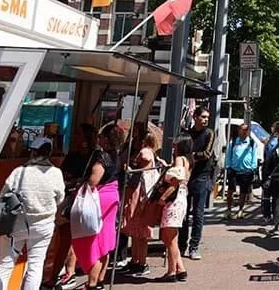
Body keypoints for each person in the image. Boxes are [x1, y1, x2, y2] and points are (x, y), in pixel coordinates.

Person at [0, 137, 65, 290]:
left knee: (5, 264)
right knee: (35, 265)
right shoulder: (55, 173)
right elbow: (60, 198)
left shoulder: (19, 172)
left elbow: (3, 196)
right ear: (49, 153)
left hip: (16, 225)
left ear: (32, 152)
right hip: (43, 227)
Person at [70, 123, 124, 290]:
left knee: (94, 241)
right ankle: (99, 280)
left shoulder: (103, 157)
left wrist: (80, 182)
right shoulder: (117, 156)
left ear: (107, 140)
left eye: (101, 136)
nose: (98, 139)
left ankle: (91, 283)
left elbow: (94, 180)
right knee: (105, 240)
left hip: (100, 199)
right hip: (112, 197)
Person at [51, 123, 97, 289]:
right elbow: (62, 173)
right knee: (65, 236)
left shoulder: (95, 156)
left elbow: (94, 179)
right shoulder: (72, 156)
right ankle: (59, 273)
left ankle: (69, 272)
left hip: (84, 202)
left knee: (74, 238)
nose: (75, 137)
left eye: (78, 134)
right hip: (70, 199)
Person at [121, 131, 164, 276]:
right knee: (138, 231)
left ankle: (140, 262)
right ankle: (136, 260)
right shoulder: (154, 154)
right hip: (143, 192)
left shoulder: (145, 152)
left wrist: (131, 168)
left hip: (141, 193)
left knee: (139, 230)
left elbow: (143, 167)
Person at [157, 135, 193, 282]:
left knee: (169, 237)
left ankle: (172, 271)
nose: (173, 146)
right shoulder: (188, 160)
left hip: (174, 200)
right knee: (171, 237)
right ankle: (180, 268)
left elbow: (176, 181)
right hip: (181, 199)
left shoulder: (179, 159)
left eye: (176, 144)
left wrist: (162, 197)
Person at [181, 106, 214, 259]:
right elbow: (181, 151)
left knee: (198, 213)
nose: (206, 119)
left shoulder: (209, 133)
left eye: (207, 117)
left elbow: (207, 153)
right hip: (186, 176)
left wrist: (191, 156)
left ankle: (194, 247)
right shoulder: (187, 134)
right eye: (203, 117)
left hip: (202, 176)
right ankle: (181, 246)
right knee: (183, 213)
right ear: (195, 117)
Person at [225, 122, 259, 219]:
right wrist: (228, 166)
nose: (244, 132)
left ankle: (240, 210)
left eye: (246, 130)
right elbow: (228, 155)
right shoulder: (234, 141)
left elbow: (254, 156)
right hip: (234, 170)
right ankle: (228, 210)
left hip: (246, 171)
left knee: (243, 192)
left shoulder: (252, 142)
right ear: (239, 130)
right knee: (231, 190)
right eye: (242, 130)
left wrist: (252, 168)